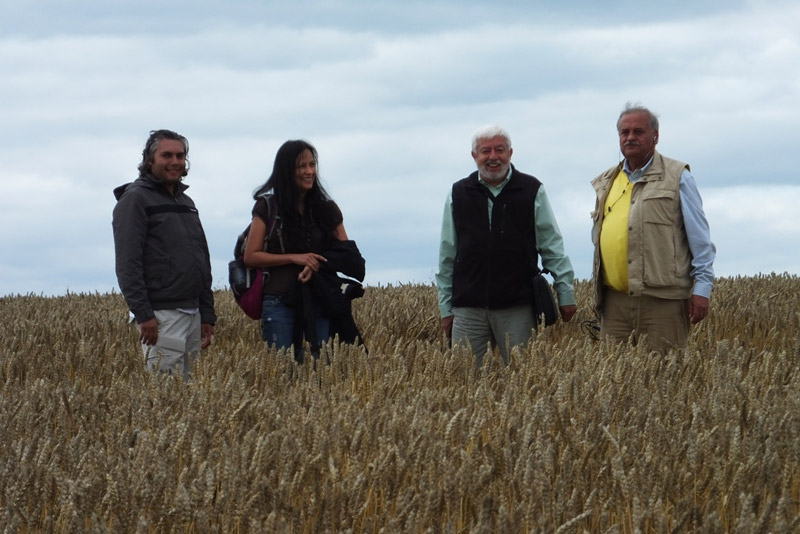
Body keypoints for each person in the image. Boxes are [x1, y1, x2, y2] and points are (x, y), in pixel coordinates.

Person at [436, 125, 577, 367]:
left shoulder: (531, 190)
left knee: (524, 377)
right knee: (464, 378)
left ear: (510, 153)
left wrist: (565, 293)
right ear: (474, 156)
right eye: (485, 151)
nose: (493, 157)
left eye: (499, 150)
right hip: (468, 308)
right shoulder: (458, 193)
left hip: (517, 307)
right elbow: (447, 254)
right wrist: (446, 308)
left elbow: (552, 246)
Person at [590, 103, 716, 354]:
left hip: (663, 302)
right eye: (624, 132)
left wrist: (702, 288)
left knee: (665, 373)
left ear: (655, 136)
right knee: (613, 375)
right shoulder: (606, 181)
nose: (630, 137)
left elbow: (700, 238)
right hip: (615, 303)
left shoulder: (677, 176)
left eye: (638, 132)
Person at [243, 140, 364, 363]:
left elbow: (348, 255)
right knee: (281, 372)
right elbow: (251, 256)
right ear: (286, 170)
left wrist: (316, 263)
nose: (309, 171)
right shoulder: (268, 207)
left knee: (323, 372)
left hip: (320, 298)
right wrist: (294, 258)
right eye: (302, 166)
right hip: (278, 301)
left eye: (312, 165)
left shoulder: (327, 209)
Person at [112, 129, 216, 379]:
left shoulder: (187, 203)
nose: (175, 162)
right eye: (166, 155)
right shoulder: (135, 199)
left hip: (193, 313)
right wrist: (144, 314)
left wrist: (207, 314)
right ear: (150, 160)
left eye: (180, 156)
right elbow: (128, 263)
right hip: (161, 316)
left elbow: (202, 260)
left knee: (190, 391)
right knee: (164, 392)